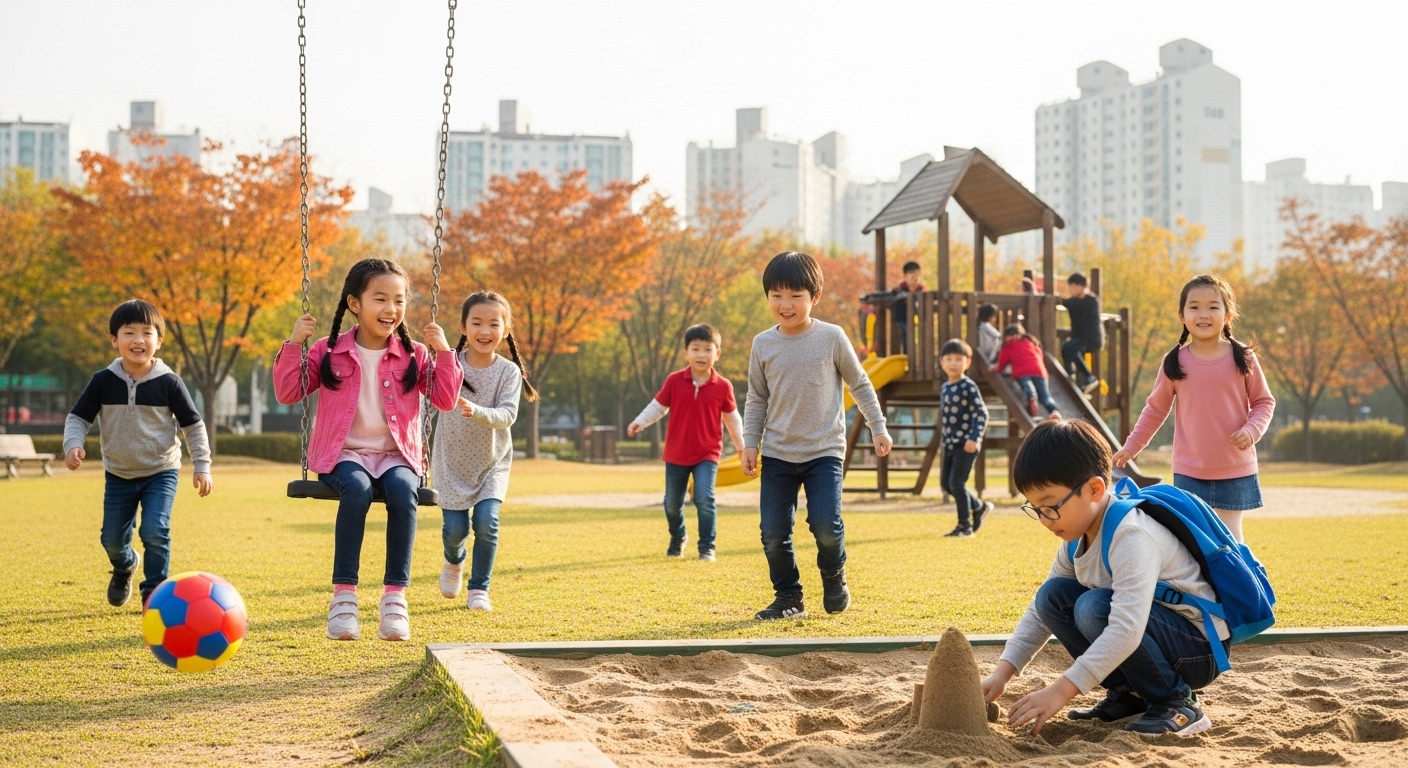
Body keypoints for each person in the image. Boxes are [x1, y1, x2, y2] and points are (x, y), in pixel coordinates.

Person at [982, 419, 1230, 737]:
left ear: (1095, 489)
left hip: (1197, 650)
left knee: (1094, 607)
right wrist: (1002, 674)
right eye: (1035, 508)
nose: (1044, 519)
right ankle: (1130, 695)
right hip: (1156, 638)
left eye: (1050, 506)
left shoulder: (1131, 535)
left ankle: (1176, 702)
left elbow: (1126, 628)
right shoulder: (1075, 538)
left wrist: (1060, 691)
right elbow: (1040, 613)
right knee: (1052, 596)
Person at [273, 258, 460, 642]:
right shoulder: (328, 351)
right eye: (380, 299)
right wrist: (293, 344)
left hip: (396, 456)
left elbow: (445, 398)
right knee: (356, 490)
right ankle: (344, 599)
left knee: (404, 491)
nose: (391, 308)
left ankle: (395, 599)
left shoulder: (414, 353)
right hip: (343, 454)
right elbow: (288, 392)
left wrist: (444, 352)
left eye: (399, 300)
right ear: (355, 303)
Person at [741, 251, 892, 620]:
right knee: (773, 532)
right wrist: (750, 442)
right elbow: (756, 397)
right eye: (776, 295)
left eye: (796, 295)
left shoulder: (831, 337)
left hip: (824, 451)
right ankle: (789, 598)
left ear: (815, 297)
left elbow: (860, 383)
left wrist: (877, 425)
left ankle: (834, 573)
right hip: (777, 453)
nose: (785, 304)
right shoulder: (763, 344)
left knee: (825, 525)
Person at [64, 300, 214, 609]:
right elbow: (78, 418)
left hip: (161, 471)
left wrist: (202, 465)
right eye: (129, 332)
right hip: (119, 473)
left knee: (155, 530)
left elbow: (193, 426)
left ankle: (154, 594)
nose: (138, 340)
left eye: (147, 332)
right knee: (111, 540)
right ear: (114, 340)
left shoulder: (170, 382)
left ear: (159, 341)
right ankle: (125, 566)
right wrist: (73, 444)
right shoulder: (102, 381)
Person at [1113, 274, 1274, 543]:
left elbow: (1264, 402)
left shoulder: (1243, 357)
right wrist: (1132, 446)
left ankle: (1239, 573)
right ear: (1182, 315)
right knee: (1194, 540)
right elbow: (1155, 410)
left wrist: (1252, 430)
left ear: (1228, 314)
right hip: (1190, 469)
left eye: (1213, 306)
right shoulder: (1174, 361)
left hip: (1235, 466)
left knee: (1231, 537)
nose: (1203, 314)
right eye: (1194, 307)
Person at [434, 291, 538, 612]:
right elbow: (424, 401)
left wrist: (476, 410)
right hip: (450, 463)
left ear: (506, 331)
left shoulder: (508, 372)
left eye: (494, 324)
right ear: (463, 327)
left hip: (492, 463)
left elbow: (507, 415)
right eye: (477, 322)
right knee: (455, 531)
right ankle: (454, 561)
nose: (485, 330)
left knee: (486, 522)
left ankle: (479, 588)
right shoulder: (449, 365)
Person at [627, 324, 744, 561]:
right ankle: (678, 536)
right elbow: (658, 407)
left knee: (704, 498)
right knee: (672, 503)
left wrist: (742, 446)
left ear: (717, 354)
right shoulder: (674, 380)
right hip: (676, 453)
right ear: (686, 352)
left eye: (707, 349)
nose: (701, 355)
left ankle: (707, 547)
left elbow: (732, 418)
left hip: (707, 454)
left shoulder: (723, 386)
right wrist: (640, 422)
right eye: (696, 349)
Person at [937, 339, 992, 538]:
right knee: (946, 484)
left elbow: (982, 413)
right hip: (949, 445)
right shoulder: (945, 388)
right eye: (949, 359)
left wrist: (974, 438)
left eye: (958, 359)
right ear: (942, 362)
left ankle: (964, 527)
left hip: (966, 444)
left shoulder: (968, 386)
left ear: (967, 362)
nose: (953, 363)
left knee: (957, 483)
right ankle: (978, 506)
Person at [994, 324, 1061, 420]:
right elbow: (1040, 355)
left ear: (1009, 336)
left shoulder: (1009, 346)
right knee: (1045, 397)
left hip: (1022, 372)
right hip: (1039, 372)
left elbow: (1002, 363)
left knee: (1027, 386)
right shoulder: (1032, 342)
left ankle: (1032, 398)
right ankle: (1055, 411)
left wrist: (995, 369)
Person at [1061, 273, 1104, 393]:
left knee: (1071, 348)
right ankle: (1070, 374)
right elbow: (1067, 303)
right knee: (1066, 347)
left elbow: (1078, 307)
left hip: (1091, 339)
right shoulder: (1076, 301)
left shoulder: (1091, 301)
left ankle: (1089, 377)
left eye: (1071, 287)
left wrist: (1069, 302)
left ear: (1078, 286)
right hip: (1081, 338)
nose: (1070, 290)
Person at [890, 261, 926, 354]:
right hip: (903, 323)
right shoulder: (898, 291)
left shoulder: (923, 293)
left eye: (917, 274)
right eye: (911, 274)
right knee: (906, 337)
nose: (914, 277)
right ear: (905, 276)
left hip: (920, 323)